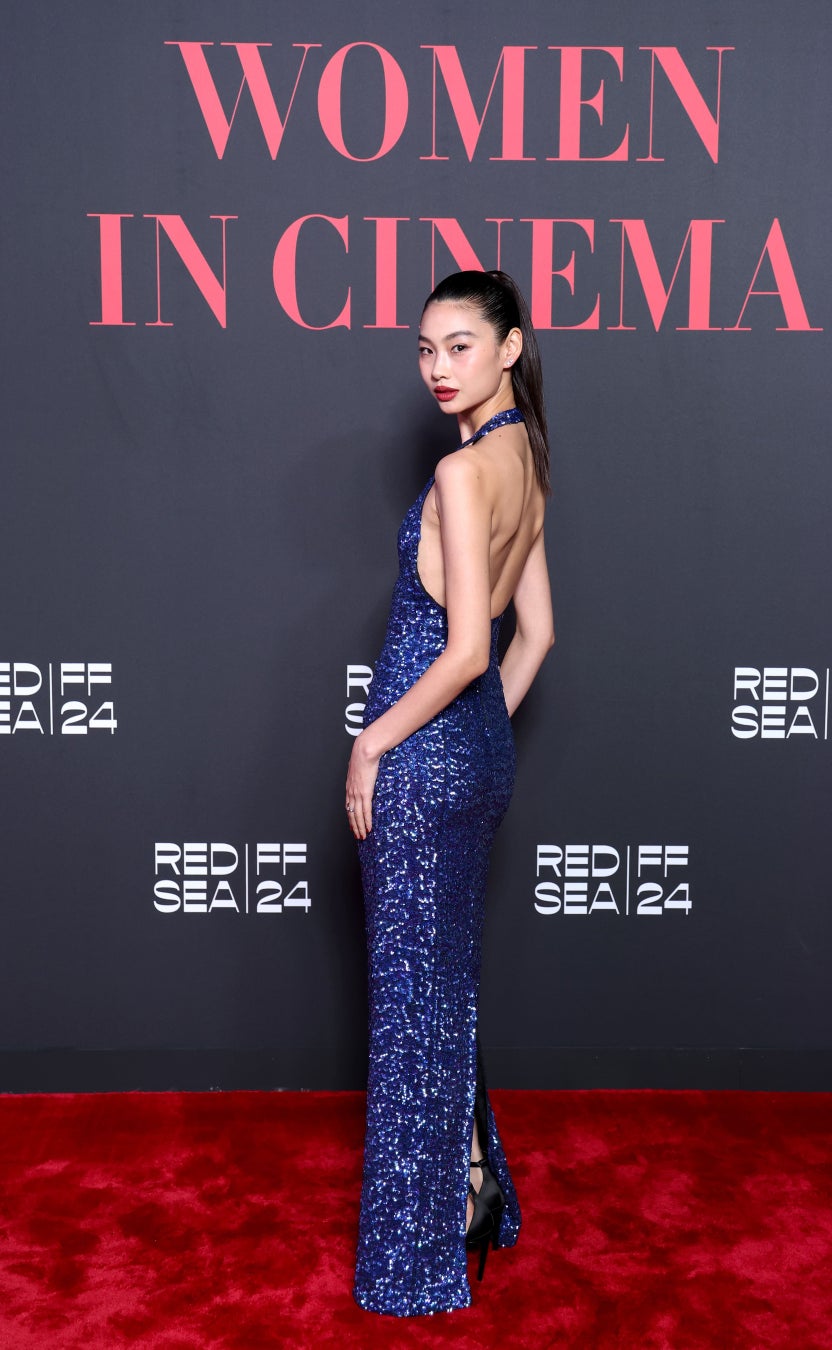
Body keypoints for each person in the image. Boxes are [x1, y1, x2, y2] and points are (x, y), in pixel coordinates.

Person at [345, 269, 554, 1316]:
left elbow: (470, 647)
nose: (438, 367)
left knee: (411, 1004)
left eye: (461, 345)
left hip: (421, 767)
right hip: (470, 758)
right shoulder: (528, 460)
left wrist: (374, 746)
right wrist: (473, 745)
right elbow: (537, 637)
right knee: (440, 993)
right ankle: (471, 1184)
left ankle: (417, 1254)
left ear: (510, 348)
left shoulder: (463, 471)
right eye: (426, 348)